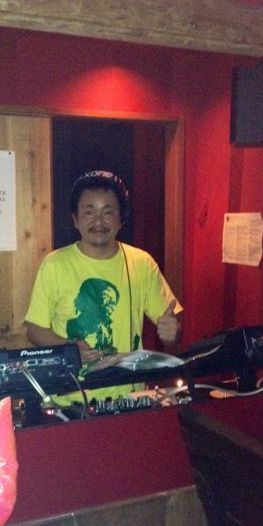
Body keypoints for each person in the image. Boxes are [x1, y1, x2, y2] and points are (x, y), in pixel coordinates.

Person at [24, 170, 183, 404]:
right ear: (75, 219)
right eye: (89, 212)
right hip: (71, 400)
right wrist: (69, 349)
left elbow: (171, 333)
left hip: (130, 398)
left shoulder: (142, 263)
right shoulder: (55, 263)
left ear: (121, 219)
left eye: (108, 212)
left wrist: (173, 332)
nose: (98, 222)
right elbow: (34, 330)